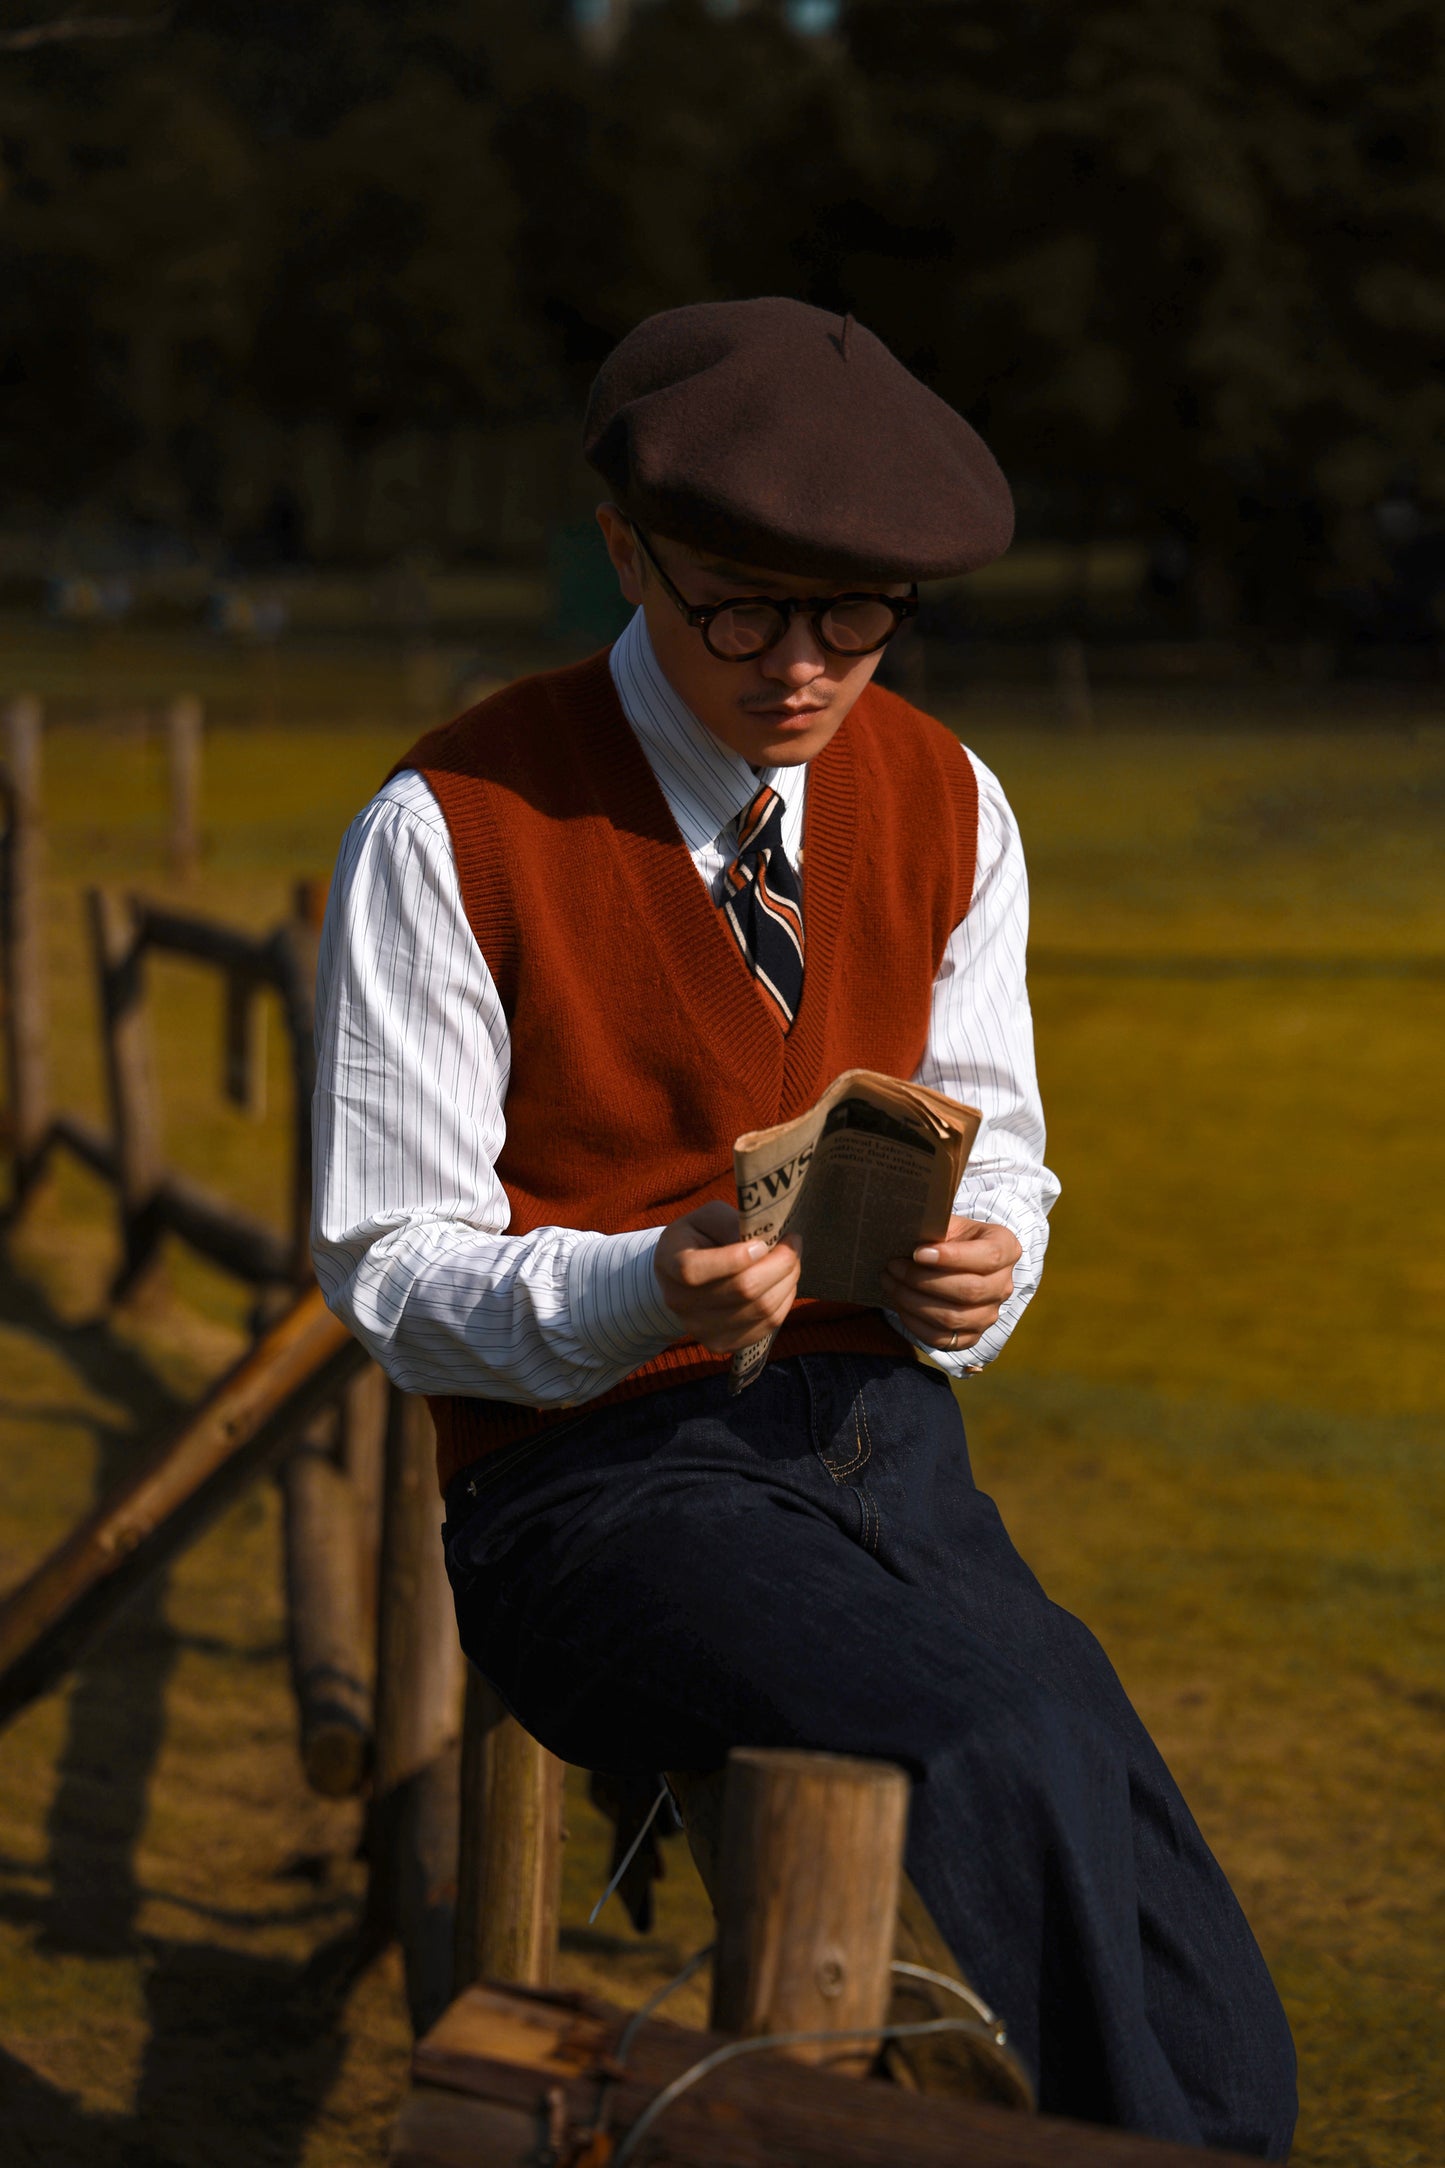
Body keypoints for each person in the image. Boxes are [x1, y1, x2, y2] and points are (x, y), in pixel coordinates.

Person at [312, 297, 1296, 2153]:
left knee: (1113, 1806)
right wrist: (633, 1284)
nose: (802, 667)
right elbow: (386, 1275)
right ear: (626, 552)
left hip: (886, 1457)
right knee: (1000, 1723)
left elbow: (999, 1148)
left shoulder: (949, 796)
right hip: (589, 1497)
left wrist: (979, 1267)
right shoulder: (450, 825)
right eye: (741, 608)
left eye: (857, 618)